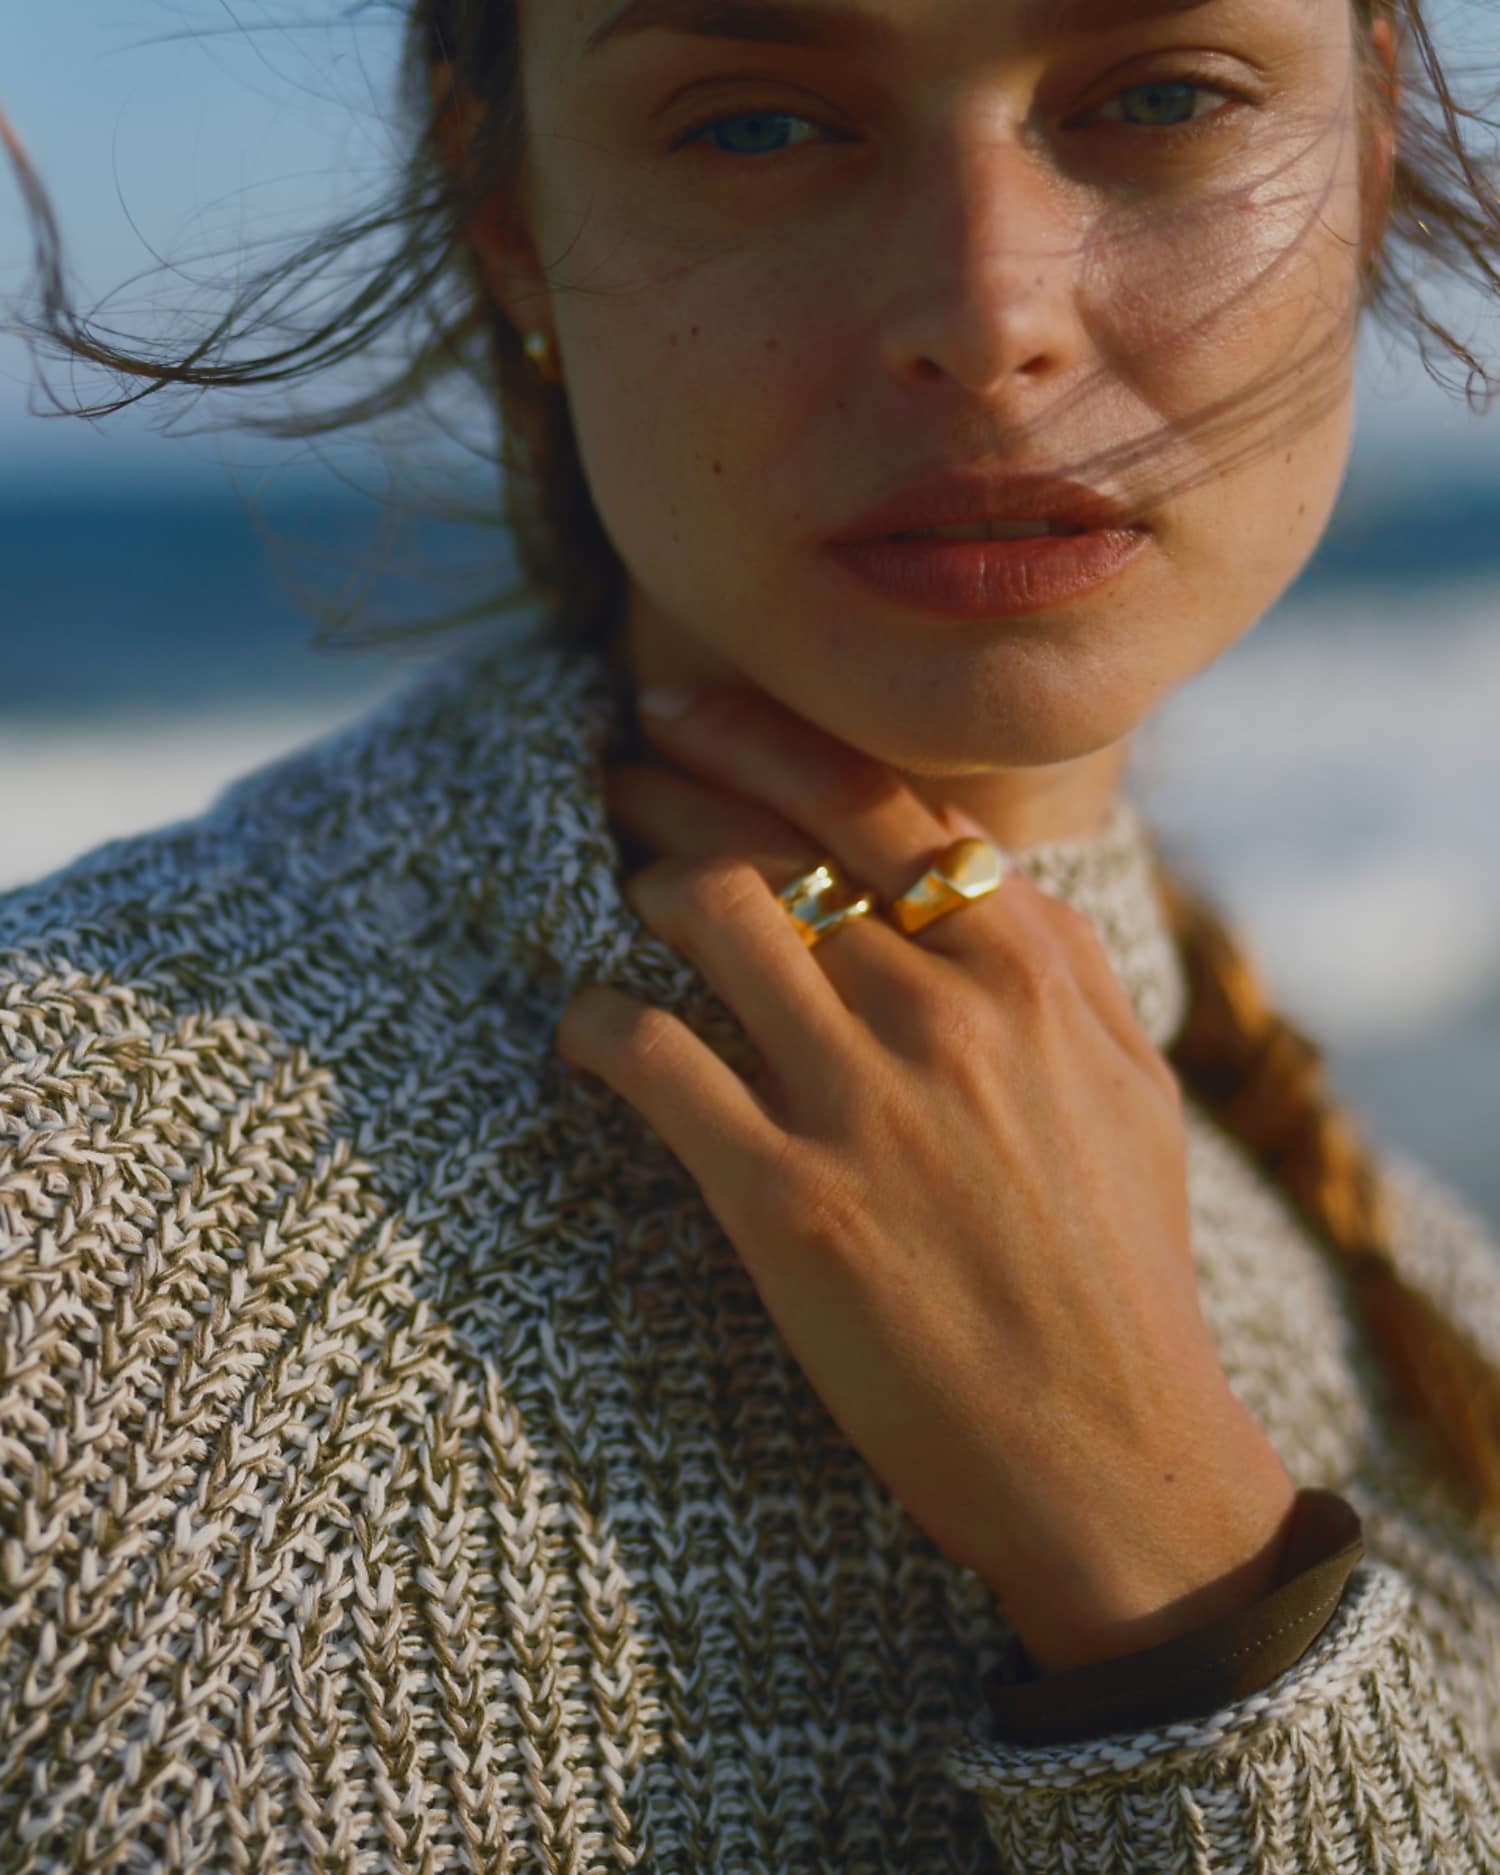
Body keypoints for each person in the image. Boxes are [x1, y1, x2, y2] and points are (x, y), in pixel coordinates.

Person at [2, 0, 1499, 1867]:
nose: (988, 318)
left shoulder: (1437, 1324)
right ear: (512, 219)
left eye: (1164, 97)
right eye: (756, 126)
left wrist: (1190, 1575)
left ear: (1365, 160)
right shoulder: (62, 1228)